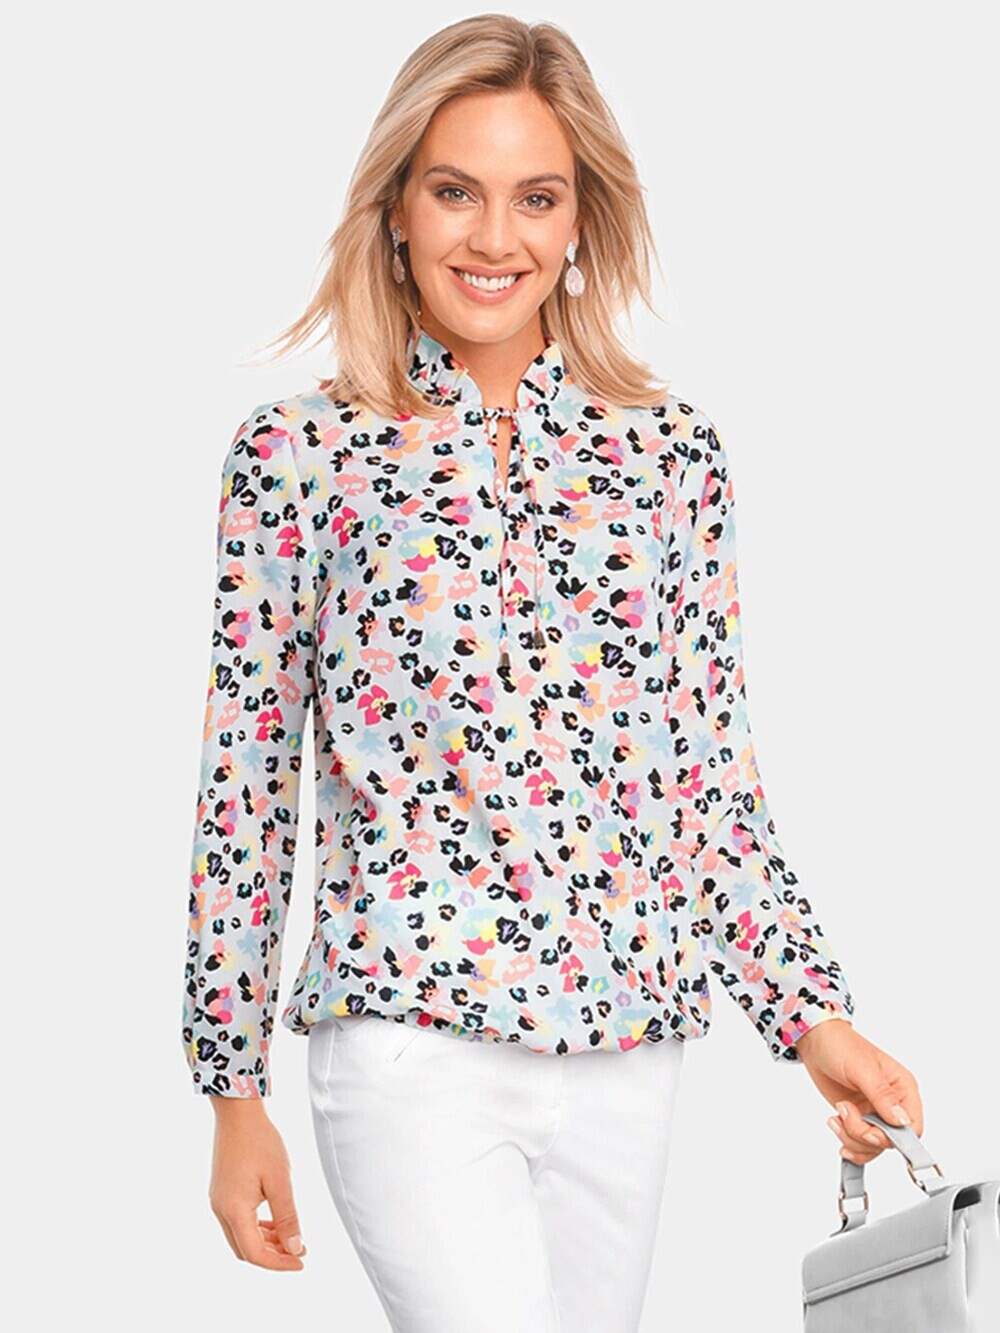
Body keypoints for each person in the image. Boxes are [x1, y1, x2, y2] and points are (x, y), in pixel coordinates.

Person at [181, 15, 923, 1332]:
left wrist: (816, 1021)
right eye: (454, 190)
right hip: (409, 1034)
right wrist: (234, 1089)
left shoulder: (670, 456)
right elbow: (245, 787)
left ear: (583, 218)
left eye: (537, 196)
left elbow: (708, 782)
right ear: (396, 206)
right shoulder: (301, 456)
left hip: (631, 1049)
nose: (495, 236)